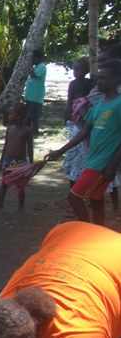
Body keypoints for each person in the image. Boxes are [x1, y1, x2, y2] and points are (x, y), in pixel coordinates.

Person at [47, 59, 121, 226]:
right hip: (93, 160)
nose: (99, 81)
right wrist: (59, 151)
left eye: (104, 78)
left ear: (116, 80)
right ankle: (97, 233)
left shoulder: (119, 104)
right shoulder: (100, 104)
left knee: (74, 197)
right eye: (99, 78)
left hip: (102, 164)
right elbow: (84, 132)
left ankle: (86, 230)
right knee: (96, 200)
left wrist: (113, 165)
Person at [62, 59, 95, 189]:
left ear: (86, 70)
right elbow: (69, 101)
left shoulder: (90, 83)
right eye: (74, 69)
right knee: (74, 155)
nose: (76, 72)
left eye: (79, 69)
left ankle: (84, 186)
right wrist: (67, 116)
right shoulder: (72, 84)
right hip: (75, 122)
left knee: (84, 155)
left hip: (86, 121)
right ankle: (73, 186)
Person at [0, 102, 32, 211]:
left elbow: (30, 148)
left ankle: (21, 207)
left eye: (11, 114)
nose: (9, 116)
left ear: (19, 115)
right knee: (4, 183)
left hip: (20, 162)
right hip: (8, 161)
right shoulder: (10, 128)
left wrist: (31, 164)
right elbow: (6, 145)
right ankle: (0, 205)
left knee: (21, 187)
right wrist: (1, 161)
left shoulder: (27, 131)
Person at [24, 49, 48, 162]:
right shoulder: (38, 66)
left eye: (33, 58)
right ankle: (29, 133)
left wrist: (29, 66)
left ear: (37, 58)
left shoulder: (42, 66)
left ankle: (34, 133)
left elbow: (34, 75)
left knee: (34, 116)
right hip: (30, 95)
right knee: (29, 115)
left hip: (36, 96)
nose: (32, 60)